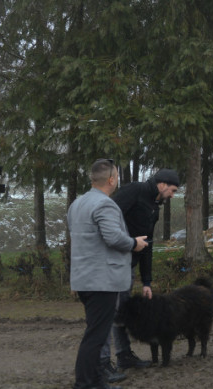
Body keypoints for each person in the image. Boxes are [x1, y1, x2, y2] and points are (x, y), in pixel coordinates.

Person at [68, 158, 148, 389]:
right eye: (117, 177)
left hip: (85, 279)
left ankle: (96, 383)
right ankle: (84, 384)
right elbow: (113, 238)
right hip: (102, 281)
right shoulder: (105, 205)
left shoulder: (77, 204)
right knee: (96, 337)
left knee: (96, 334)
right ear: (111, 180)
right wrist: (134, 243)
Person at [100, 168, 181, 378]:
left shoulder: (154, 207)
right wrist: (123, 243)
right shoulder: (134, 191)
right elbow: (108, 216)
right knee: (108, 313)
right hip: (112, 262)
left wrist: (147, 281)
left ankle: (124, 355)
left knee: (123, 313)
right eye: (172, 190)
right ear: (162, 185)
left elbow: (148, 244)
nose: (173, 195)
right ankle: (102, 363)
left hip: (129, 265)